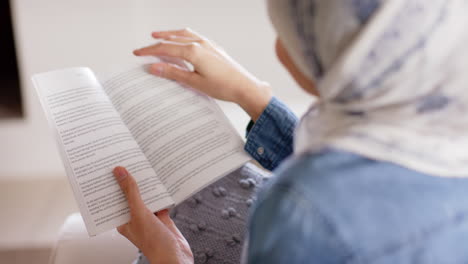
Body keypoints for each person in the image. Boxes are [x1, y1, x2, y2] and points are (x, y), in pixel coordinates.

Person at [112, 0, 468, 263]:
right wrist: (252, 96)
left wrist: (169, 259)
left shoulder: (302, 211)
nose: (280, 47)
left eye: (291, 32)